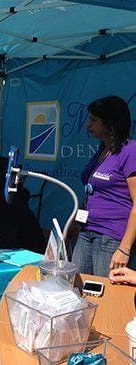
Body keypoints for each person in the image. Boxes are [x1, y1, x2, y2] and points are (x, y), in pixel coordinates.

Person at [72, 95, 136, 277]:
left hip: (111, 237)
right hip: (87, 231)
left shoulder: (130, 151)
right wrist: (78, 221)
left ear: (110, 122)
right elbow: (92, 192)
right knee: (77, 289)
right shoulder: (103, 150)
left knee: (107, 294)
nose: (88, 125)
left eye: (94, 120)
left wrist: (124, 248)